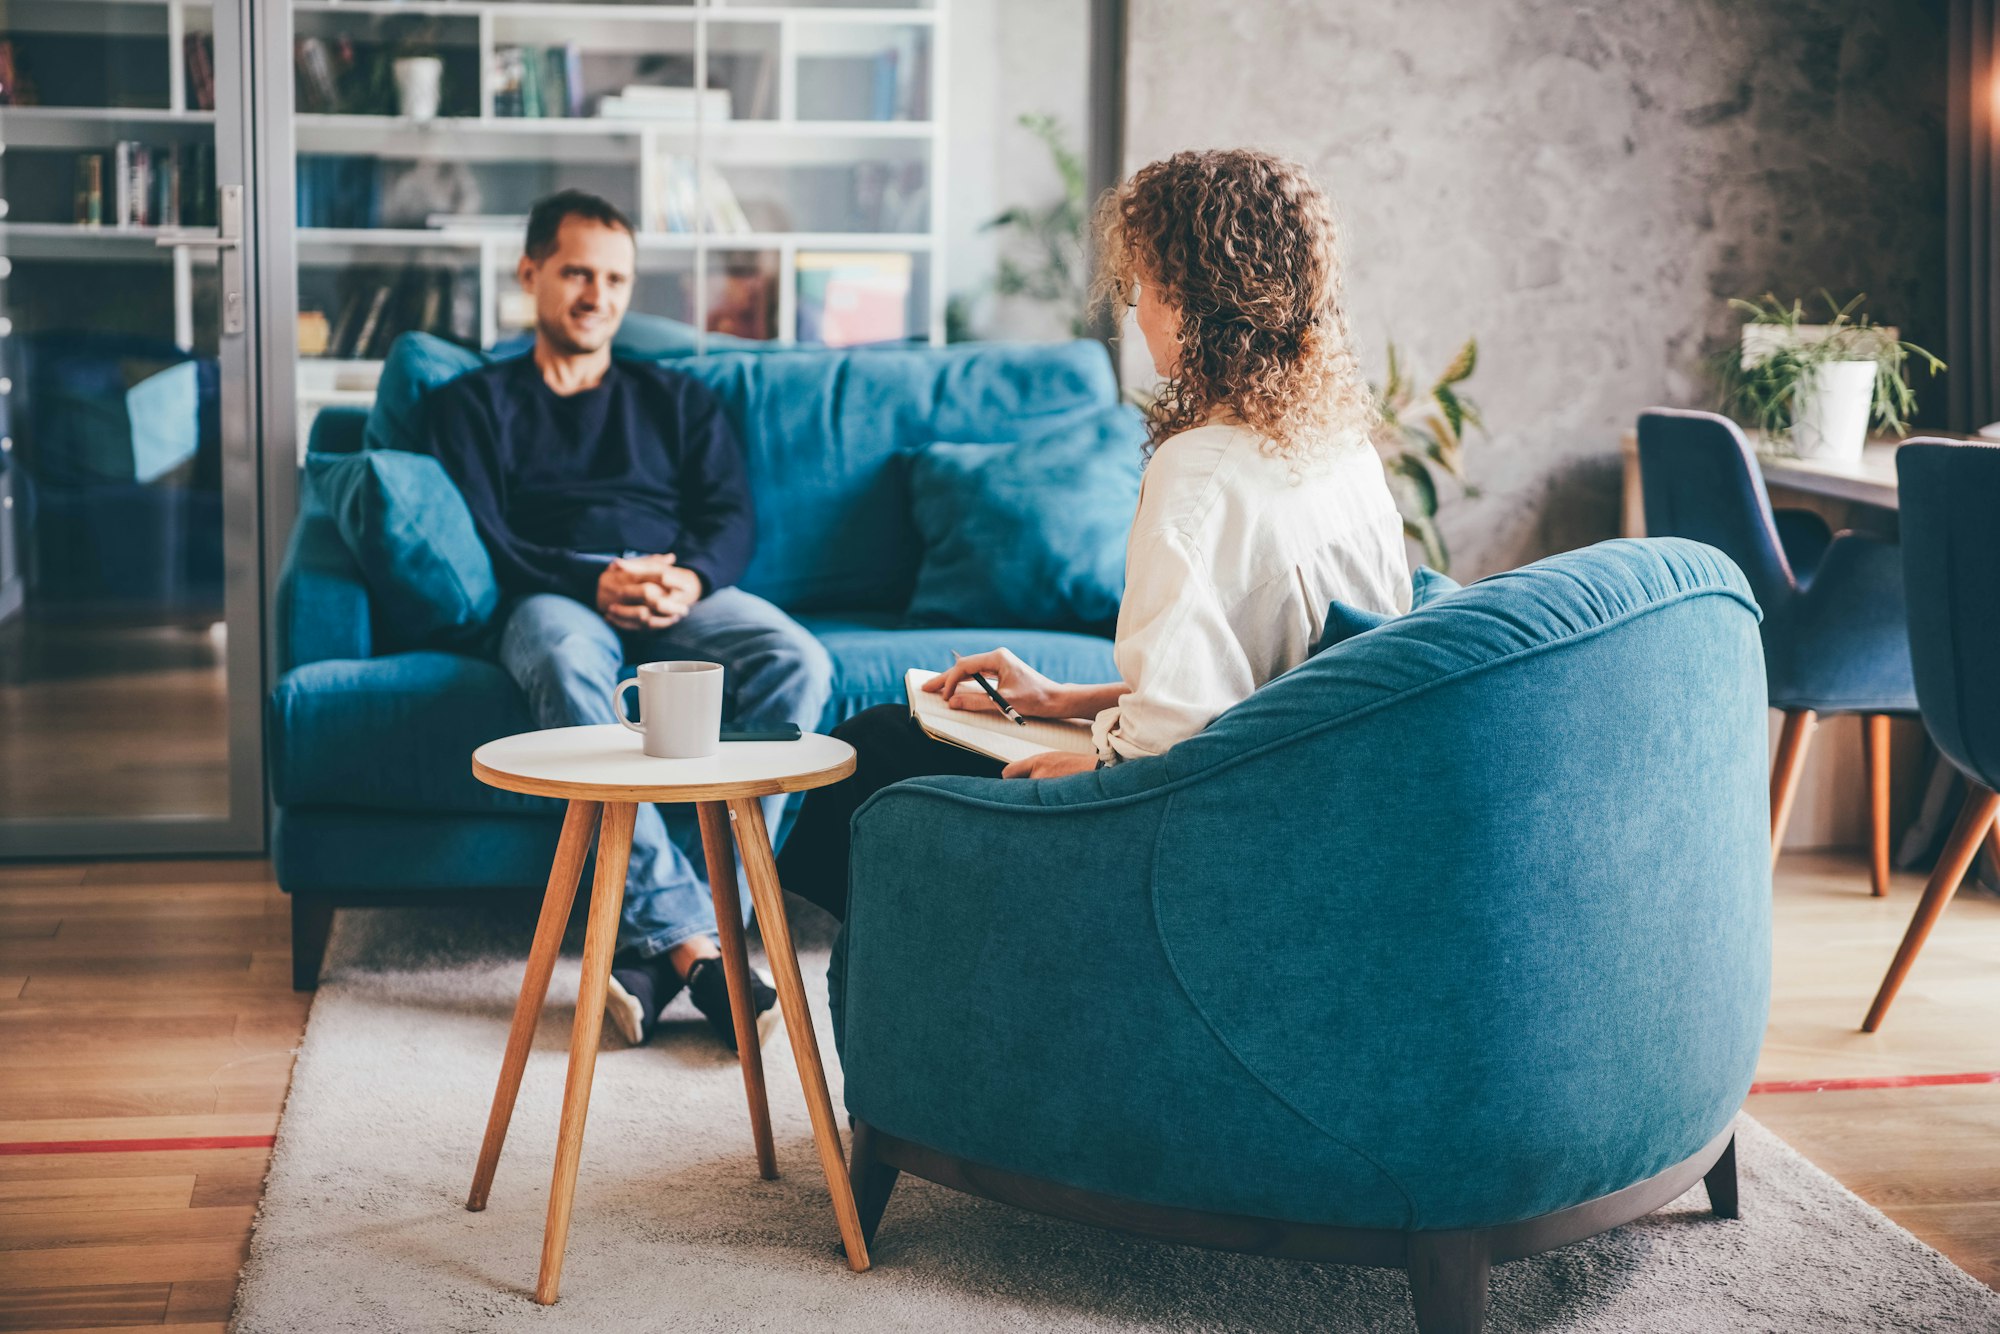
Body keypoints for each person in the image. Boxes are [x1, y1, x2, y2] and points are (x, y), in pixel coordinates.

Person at [778, 148, 1410, 919]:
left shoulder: (1200, 475)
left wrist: (1069, 763)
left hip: (1180, 830)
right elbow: (1241, 689)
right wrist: (1056, 698)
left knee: (871, 751)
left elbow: (1158, 760)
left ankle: (902, 987)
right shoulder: (1339, 448)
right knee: (888, 734)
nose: (1136, 311)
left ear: (1190, 301)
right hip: (1294, 803)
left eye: (1143, 285)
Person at [423, 189, 833, 1049]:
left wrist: (689, 578)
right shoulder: (470, 405)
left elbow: (731, 518)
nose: (596, 295)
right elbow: (485, 537)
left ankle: (652, 954)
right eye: (576, 272)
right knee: (567, 664)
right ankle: (699, 944)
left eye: (615, 278)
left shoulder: (677, 398)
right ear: (530, 272)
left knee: (794, 659)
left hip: (675, 593)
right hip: (556, 595)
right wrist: (592, 578)